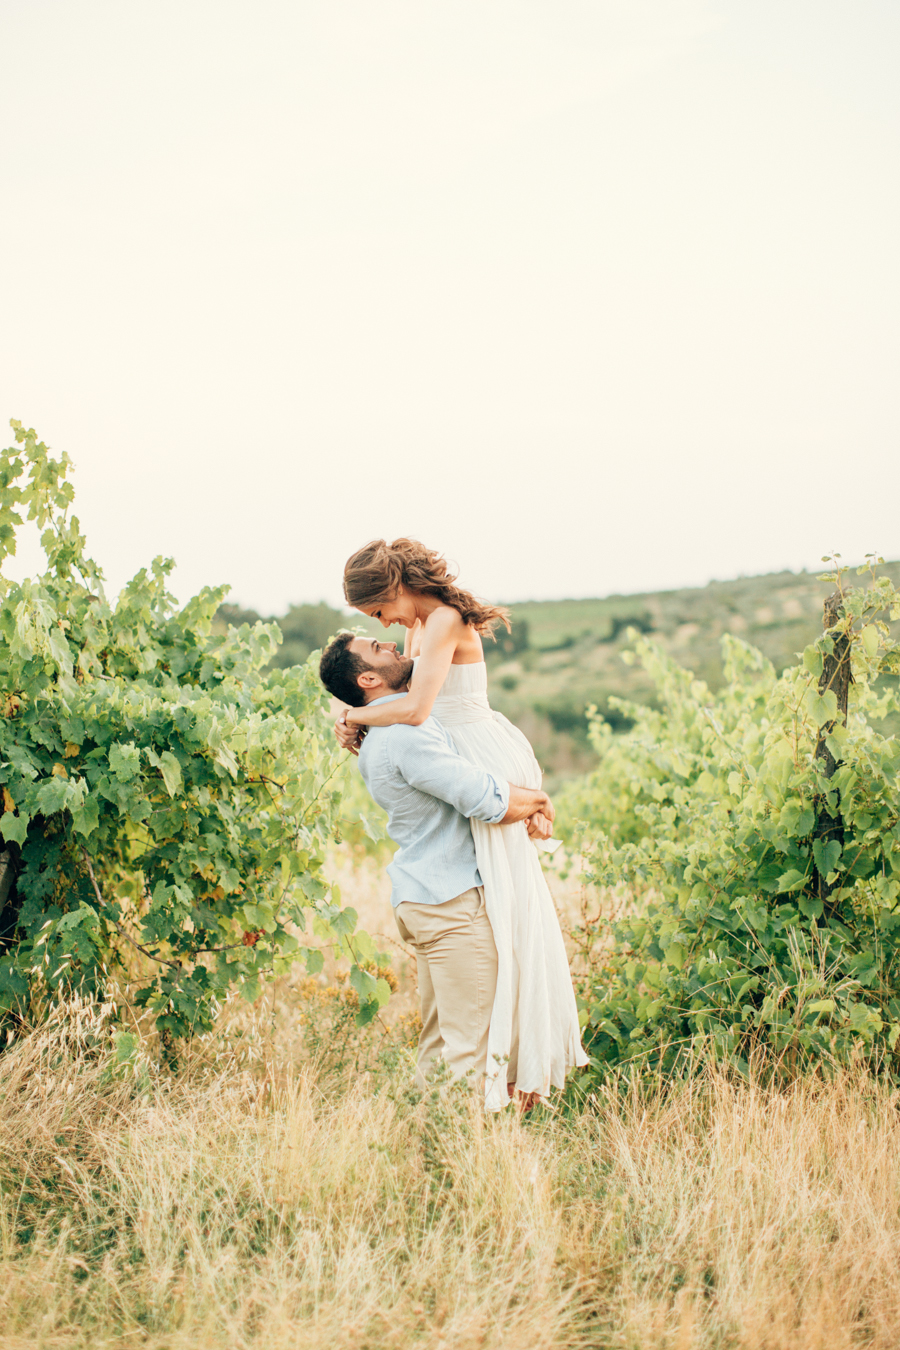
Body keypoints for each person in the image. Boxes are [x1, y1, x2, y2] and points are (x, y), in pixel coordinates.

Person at [332, 538, 587, 1110]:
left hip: (478, 753)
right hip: (459, 759)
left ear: (393, 588)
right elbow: (402, 704)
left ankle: (513, 1067)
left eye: (377, 612)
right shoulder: (417, 629)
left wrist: (355, 714)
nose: (383, 624)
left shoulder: (444, 618)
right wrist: (363, 719)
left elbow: (419, 709)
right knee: (506, 915)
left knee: (511, 915)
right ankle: (501, 1071)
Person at [319, 632, 554, 1104]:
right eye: (379, 648)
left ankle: (428, 1158)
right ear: (367, 677)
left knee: (441, 1045)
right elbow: (484, 798)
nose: (395, 646)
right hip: (451, 907)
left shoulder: (384, 731)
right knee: (470, 1051)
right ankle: (463, 1165)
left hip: (426, 898)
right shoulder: (405, 735)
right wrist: (538, 799)